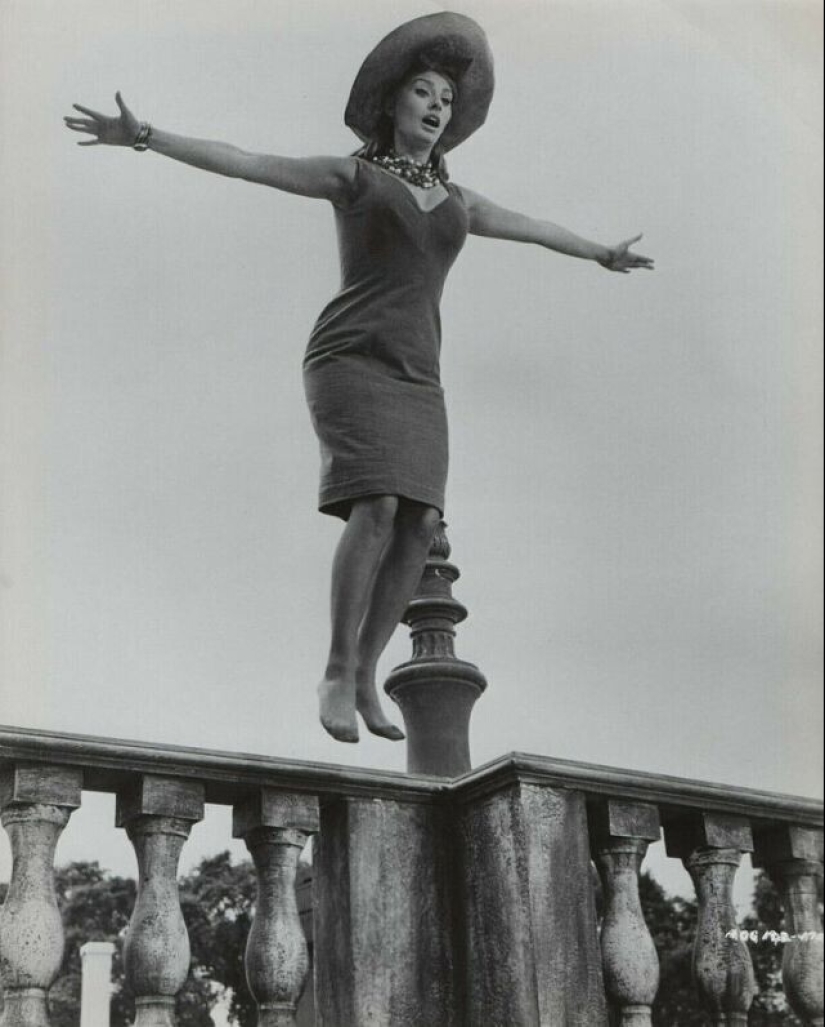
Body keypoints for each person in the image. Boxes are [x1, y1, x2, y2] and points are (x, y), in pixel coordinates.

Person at [64, 13, 653, 746]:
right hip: (348, 358)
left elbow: (533, 224)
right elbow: (248, 160)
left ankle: (368, 674)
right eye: (421, 92)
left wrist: (600, 252)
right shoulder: (354, 176)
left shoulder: (462, 205)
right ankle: (337, 671)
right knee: (374, 503)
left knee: (421, 523)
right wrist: (148, 136)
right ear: (391, 104)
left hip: (418, 374)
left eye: (445, 97)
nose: (436, 106)